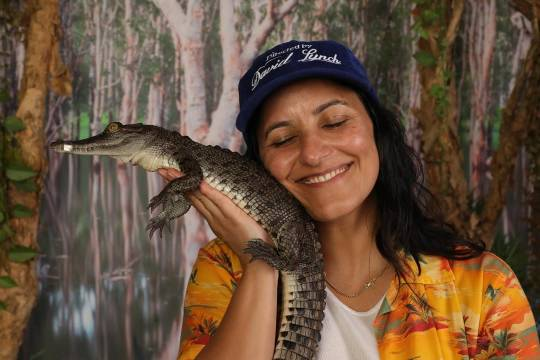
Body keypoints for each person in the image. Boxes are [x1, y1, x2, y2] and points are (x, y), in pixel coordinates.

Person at [164, 40, 539, 359]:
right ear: (261, 166)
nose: (312, 153)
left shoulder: (483, 285)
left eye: (335, 122)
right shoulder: (225, 269)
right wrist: (261, 261)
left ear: (377, 131)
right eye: (282, 139)